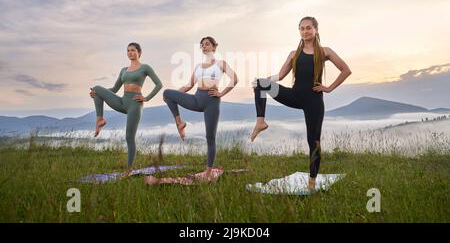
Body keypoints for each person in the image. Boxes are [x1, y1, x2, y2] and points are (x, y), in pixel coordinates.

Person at [250, 17, 351, 192]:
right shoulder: (293, 54)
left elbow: (346, 70)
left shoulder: (325, 52)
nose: (305, 31)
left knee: (313, 142)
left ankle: (312, 183)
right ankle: (260, 122)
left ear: (316, 30)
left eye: (308, 28)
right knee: (259, 84)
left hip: (314, 101)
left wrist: (329, 88)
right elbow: (280, 76)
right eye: (302, 29)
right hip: (294, 95)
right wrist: (263, 81)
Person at [162, 36, 239, 176]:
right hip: (196, 99)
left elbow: (235, 79)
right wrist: (175, 96)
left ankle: (208, 171)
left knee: (210, 137)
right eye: (202, 45)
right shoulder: (198, 67)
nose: (204, 46)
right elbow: (189, 85)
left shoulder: (221, 63)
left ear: (214, 47)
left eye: (207, 44)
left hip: (212, 101)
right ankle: (179, 123)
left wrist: (221, 93)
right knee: (166, 93)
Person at [89, 43, 163, 176]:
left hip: (135, 104)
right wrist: (97, 94)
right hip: (122, 101)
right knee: (96, 89)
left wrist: (146, 98)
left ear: (139, 52)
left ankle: (129, 170)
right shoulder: (123, 70)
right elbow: (114, 89)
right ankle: (100, 119)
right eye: (128, 51)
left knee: (129, 137)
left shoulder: (145, 67)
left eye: (133, 50)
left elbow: (159, 84)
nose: (130, 53)